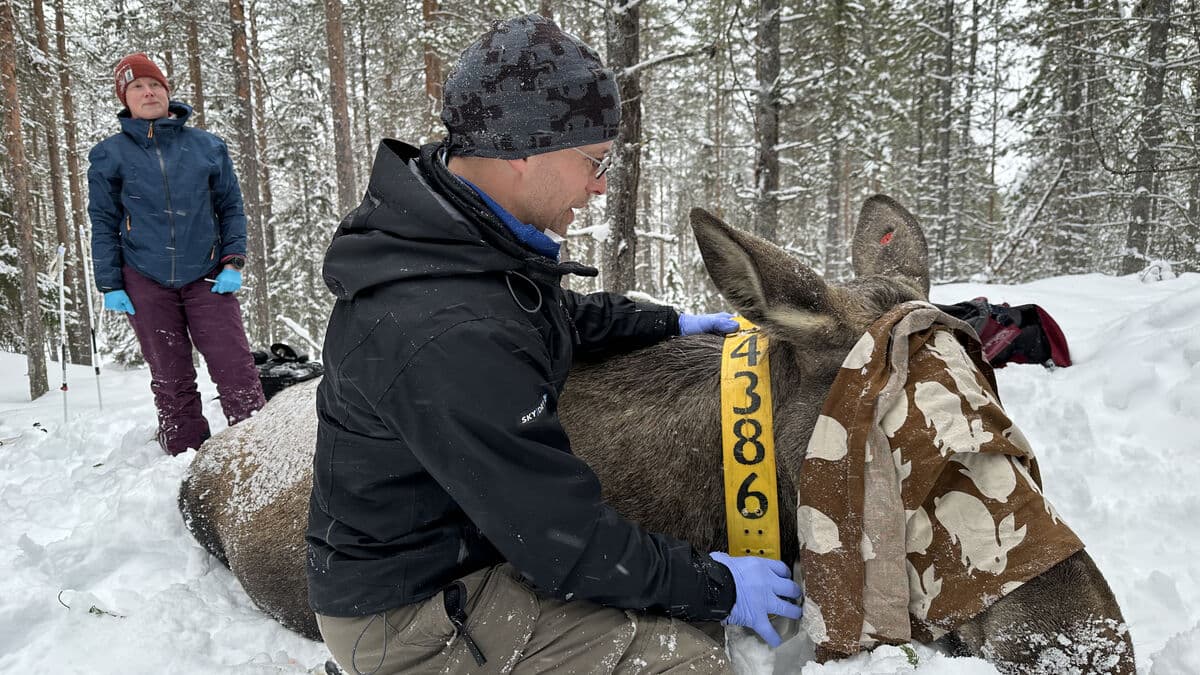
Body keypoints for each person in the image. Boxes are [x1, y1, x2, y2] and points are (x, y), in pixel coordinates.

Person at [306, 15, 802, 674]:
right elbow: (562, 540)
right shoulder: (448, 332)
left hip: (456, 549)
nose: (600, 186)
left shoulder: (452, 232)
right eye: (593, 162)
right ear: (522, 148)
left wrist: (666, 324)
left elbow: (539, 312)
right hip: (411, 612)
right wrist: (721, 587)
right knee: (690, 663)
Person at [88, 53, 265, 456]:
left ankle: (255, 447)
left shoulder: (207, 147)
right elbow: (103, 221)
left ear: (167, 92)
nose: (148, 92)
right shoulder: (109, 155)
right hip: (144, 278)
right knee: (170, 376)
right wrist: (110, 283)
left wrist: (233, 260)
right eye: (137, 87)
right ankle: (184, 454)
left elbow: (231, 207)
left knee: (235, 367)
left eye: (155, 85)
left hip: (207, 274)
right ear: (125, 98)